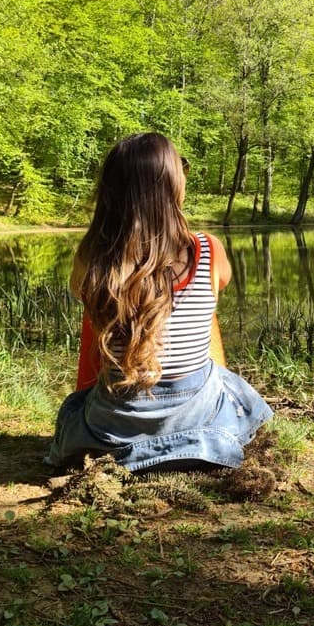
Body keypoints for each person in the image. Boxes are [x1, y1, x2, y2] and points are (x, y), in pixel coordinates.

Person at [46, 132, 272, 472]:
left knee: (77, 404)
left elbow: (87, 309)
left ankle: (125, 443)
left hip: (115, 425)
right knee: (229, 382)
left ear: (110, 193)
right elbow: (215, 290)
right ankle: (200, 439)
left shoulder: (93, 258)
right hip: (196, 417)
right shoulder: (207, 251)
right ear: (172, 186)